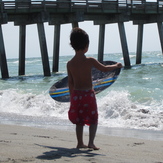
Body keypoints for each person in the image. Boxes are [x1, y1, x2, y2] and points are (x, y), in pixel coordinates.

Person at [67, 27, 122, 150]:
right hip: (88, 95)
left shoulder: (70, 63)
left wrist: (72, 99)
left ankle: (80, 143)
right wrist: (116, 65)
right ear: (86, 45)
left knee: (79, 120)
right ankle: (91, 142)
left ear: (72, 45)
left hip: (76, 95)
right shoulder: (90, 60)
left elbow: (70, 82)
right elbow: (104, 69)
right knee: (93, 118)